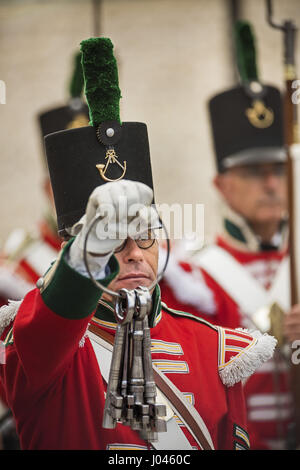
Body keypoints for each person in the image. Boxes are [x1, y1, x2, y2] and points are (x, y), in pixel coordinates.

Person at [0, 37, 276, 451]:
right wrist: (88, 251)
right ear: (81, 249)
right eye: (110, 240)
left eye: (144, 234)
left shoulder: (215, 349)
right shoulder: (43, 346)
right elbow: (53, 316)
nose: (132, 252)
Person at [160, 21, 299, 450]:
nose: (273, 184)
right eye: (255, 173)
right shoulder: (189, 275)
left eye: (279, 170)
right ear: (221, 185)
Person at [0, 49, 89, 450]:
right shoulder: (13, 272)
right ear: (46, 189)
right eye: (72, 179)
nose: (89, 193)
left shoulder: (147, 261)